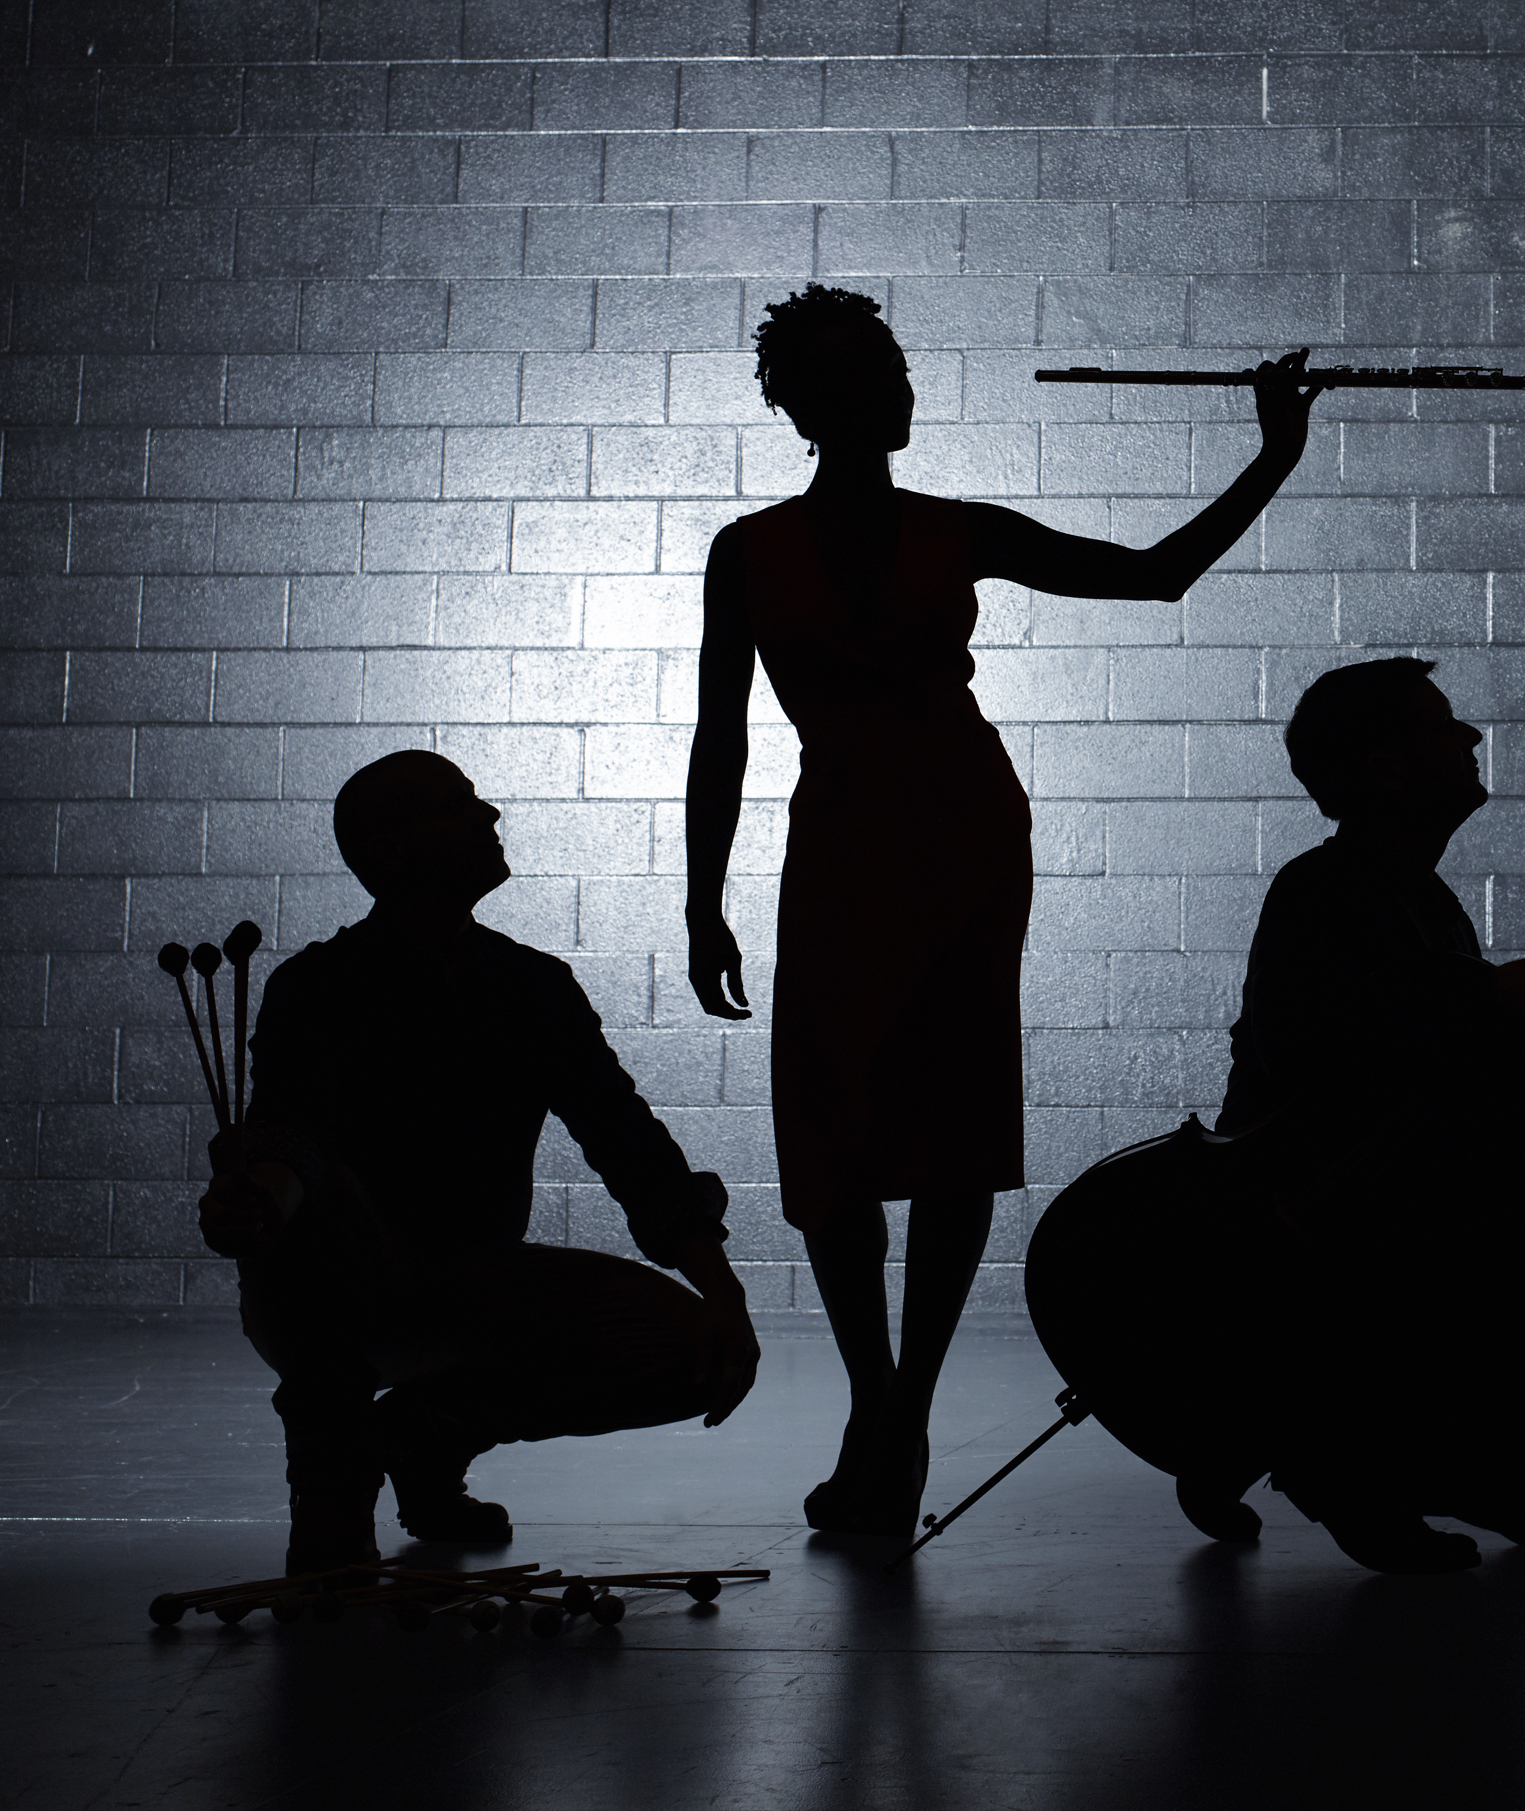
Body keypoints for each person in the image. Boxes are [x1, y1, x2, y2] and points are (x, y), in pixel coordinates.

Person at [684, 286, 1319, 1537]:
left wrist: (1274, 456)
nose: (896, 390)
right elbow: (721, 734)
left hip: (966, 835)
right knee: (836, 1132)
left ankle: (899, 1412)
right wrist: (701, 900)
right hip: (844, 841)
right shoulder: (749, 550)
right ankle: (880, 1401)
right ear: (801, 405)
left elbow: (1156, 579)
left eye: (897, 366)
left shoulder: (953, 527)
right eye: (867, 372)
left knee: (951, 1125)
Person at [198, 750, 759, 1574]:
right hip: (340, 1287)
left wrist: (723, 1292)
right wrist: (260, 1204)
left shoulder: (533, 987)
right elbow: (291, 1137)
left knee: (692, 1350)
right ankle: (331, 1509)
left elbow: (625, 1141)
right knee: (318, 1245)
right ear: (391, 851)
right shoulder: (315, 987)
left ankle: (425, 1441)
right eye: (459, 807)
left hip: (478, 1282)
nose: (489, 816)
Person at [1199, 657, 1525, 1574]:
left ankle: (1287, 1433)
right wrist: (1492, 999)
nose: (1470, 738)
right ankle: (1333, 1450)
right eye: (1442, 725)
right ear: (1388, 767)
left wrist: (1496, 1010)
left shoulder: (1422, 901)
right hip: (1330, 1255)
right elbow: (1341, 1059)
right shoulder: (1318, 889)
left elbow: (1423, 1057)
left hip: (1402, 1246)